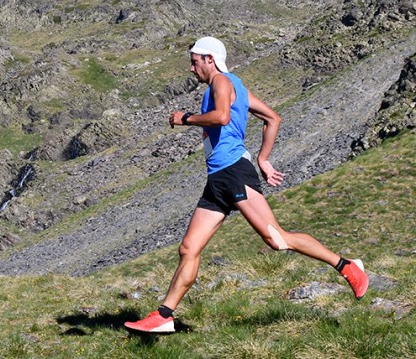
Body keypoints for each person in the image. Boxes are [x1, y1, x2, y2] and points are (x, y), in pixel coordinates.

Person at [124, 37, 369, 333]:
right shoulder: (236, 86)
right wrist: (264, 160)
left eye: (194, 61)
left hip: (233, 173)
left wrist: (185, 118)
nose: (191, 68)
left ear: (210, 59)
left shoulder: (221, 82)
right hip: (218, 178)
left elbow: (222, 117)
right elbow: (272, 118)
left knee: (277, 239)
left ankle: (347, 266)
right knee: (189, 248)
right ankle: (164, 316)